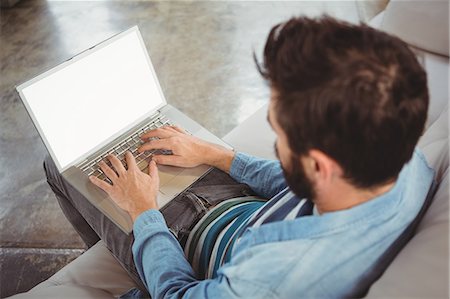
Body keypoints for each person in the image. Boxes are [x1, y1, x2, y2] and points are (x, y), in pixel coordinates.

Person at [40, 16, 434, 298]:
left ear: (319, 165)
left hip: (180, 245)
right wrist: (216, 154)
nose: (275, 137)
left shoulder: (270, 280)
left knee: (62, 164)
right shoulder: (405, 164)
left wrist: (143, 215)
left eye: (277, 131)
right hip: (241, 207)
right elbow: (295, 183)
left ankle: (122, 256)